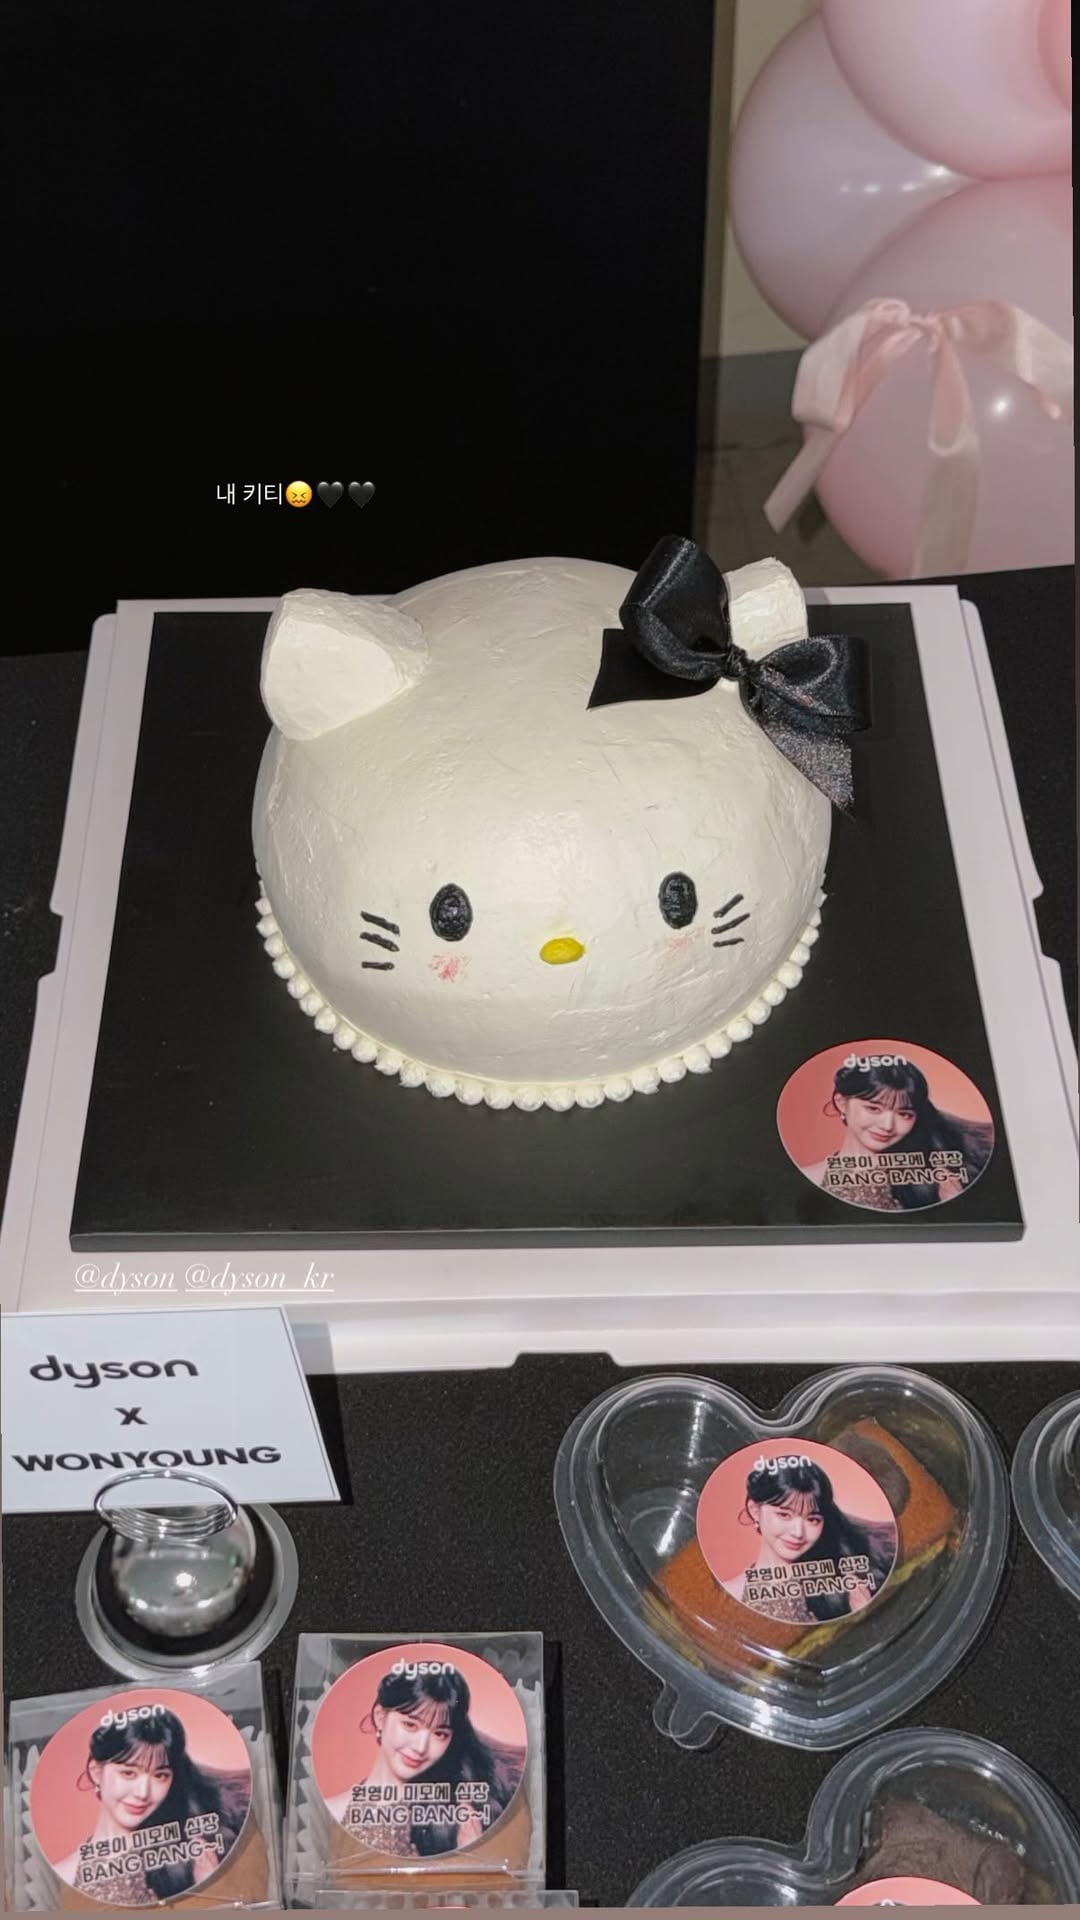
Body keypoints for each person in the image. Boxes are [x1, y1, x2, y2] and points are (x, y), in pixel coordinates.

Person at [326, 1665, 525, 1859]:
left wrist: (469, 1851)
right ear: (380, 1718)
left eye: (439, 1734)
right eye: (410, 1725)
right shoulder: (332, 1811)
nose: (421, 1747)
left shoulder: (457, 1812)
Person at [54, 1705, 247, 1905]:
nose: (143, 1793)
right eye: (128, 1773)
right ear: (96, 1772)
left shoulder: (193, 1852)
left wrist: (210, 1884)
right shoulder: (63, 1875)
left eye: (160, 1775)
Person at [721, 1456, 896, 1625]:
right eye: (784, 1515)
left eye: (812, 1519)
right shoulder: (732, 1594)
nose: (798, 1533)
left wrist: (861, 1613)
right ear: (755, 1510)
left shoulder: (842, 1584)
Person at [802, 1057, 993, 1212]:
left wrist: (951, 1204)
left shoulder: (931, 1179)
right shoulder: (810, 1177)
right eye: (873, 1108)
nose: (887, 1126)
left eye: (904, 1114)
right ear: (842, 1103)